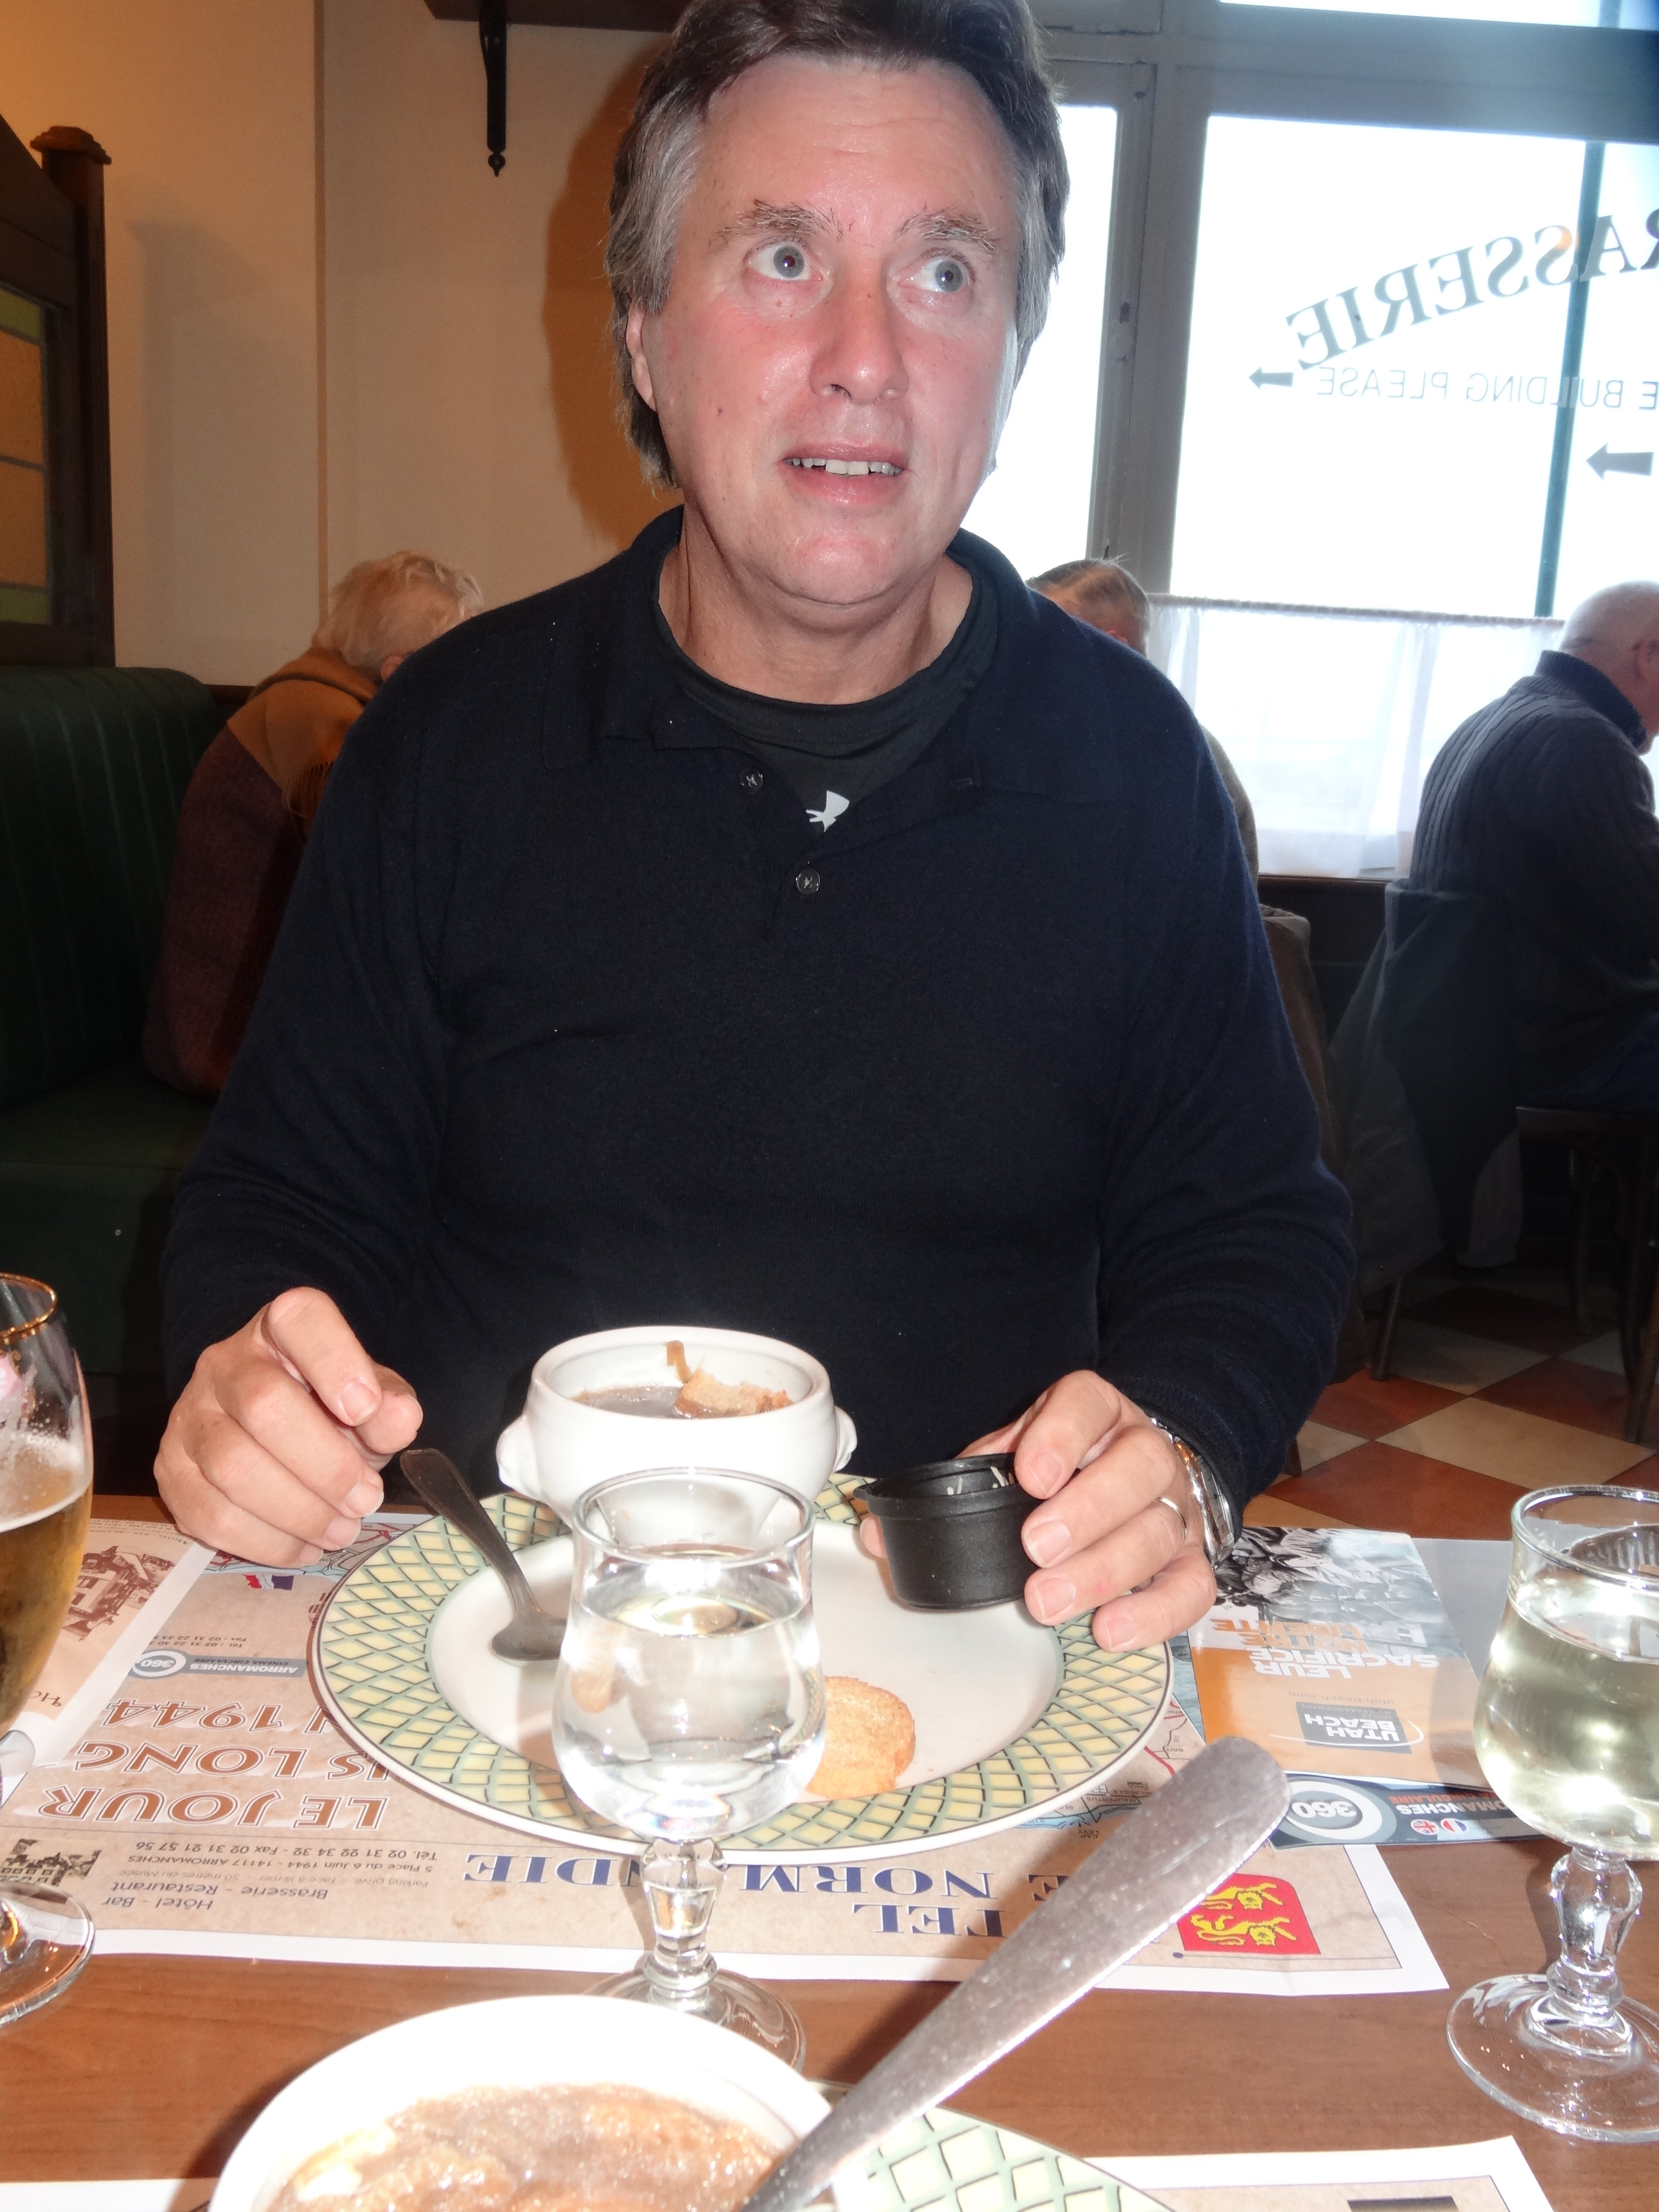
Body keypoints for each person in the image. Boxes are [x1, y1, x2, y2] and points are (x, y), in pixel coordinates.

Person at [154, 0, 1351, 1655]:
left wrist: (1187, 1433)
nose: (865, 356)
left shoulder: (1136, 763)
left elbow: (1253, 1228)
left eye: (944, 272)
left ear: (1010, 356)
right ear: (645, 334)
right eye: (783, 259)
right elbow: (278, 1205)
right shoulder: (446, 740)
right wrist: (252, 1378)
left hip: (989, 1642)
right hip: (506, 1647)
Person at [142, 552, 483, 1096]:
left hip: (257, 1017)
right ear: (400, 670)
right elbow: (384, 886)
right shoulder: (323, 720)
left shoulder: (322, 696)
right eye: (459, 669)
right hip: (230, 1040)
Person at [1409, 580, 1659, 1109]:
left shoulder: (1493, 720)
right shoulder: (1584, 742)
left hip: (1481, 1042)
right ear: (1649, 655)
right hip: (1567, 1052)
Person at [1030, 556, 1259, 874]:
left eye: (1050, 647)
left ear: (1113, 651)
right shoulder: (1069, 740)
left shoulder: (1178, 758)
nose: (1034, 668)